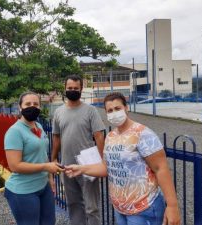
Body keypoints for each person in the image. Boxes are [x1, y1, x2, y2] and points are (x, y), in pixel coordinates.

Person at [66, 92, 181, 225]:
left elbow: (161, 168)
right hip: (120, 210)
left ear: (126, 108)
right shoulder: (110, 136)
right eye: (110, 110)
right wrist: (81, 169)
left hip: (144, 209)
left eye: (117, 108)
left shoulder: (142, 133)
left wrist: (172, 206)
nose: (114, 113)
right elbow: (106, 167)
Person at [51, 75, 105, 225]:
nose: (72, 90)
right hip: (67, 165)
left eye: (76, 88)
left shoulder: (91, 111)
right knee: (74, 204)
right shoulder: (59, 112)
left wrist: (102, 161)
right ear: (65, 89)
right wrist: (54, 158)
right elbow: (56, 137)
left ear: (81, 89)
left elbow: (99, 136)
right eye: (70, 88)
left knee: (91, 207)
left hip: (87, 165)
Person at [4, 92, 64, 225]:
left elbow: (43, 155)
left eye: (36, 104)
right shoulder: (14, 132)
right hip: (23, 191)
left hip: (43, 186)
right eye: (28, 104)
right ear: (20, 107)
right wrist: (46, 167)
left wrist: (50, 178)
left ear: (40, 107)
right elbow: (15, 166)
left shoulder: (39, 127)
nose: (32, 106)